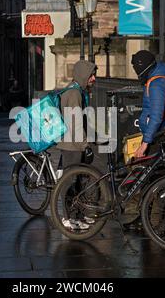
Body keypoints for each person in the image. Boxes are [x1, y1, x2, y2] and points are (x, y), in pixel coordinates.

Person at [56, 60, 97, 231]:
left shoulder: (77, 91)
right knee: (71, 182)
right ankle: (67, 217)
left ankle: (77, 215)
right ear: (83, 75)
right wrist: (85, 145)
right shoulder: (74, 94)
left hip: (73, 144)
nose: (94, 79)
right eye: (91, 75)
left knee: (78, 181)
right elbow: (76, 123)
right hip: (72, 146)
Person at [132, 50, 165, 158]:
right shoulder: (158, 75)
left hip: (155, 135)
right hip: (154, 133)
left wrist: (145, 143)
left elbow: (156, 116)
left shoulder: (156, 85)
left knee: (149, 170)